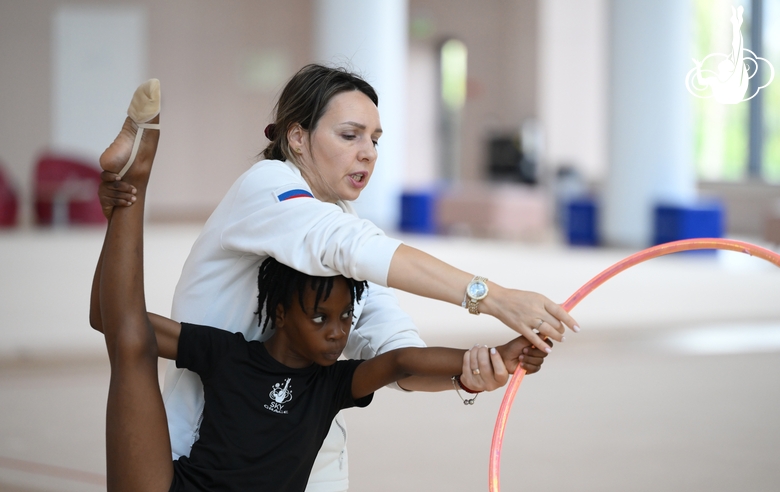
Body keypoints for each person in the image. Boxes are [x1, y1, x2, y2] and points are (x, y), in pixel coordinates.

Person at [103, 65, 580, 491]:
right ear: (297, 137)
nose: (368, 153)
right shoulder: (267, 187)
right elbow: (344, 245)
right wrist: (491, 296)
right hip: (206, 460)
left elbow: (396, 355)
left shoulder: (345, 228)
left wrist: (475, 371)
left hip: (307, 465)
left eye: (375, 139)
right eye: (350, 135)